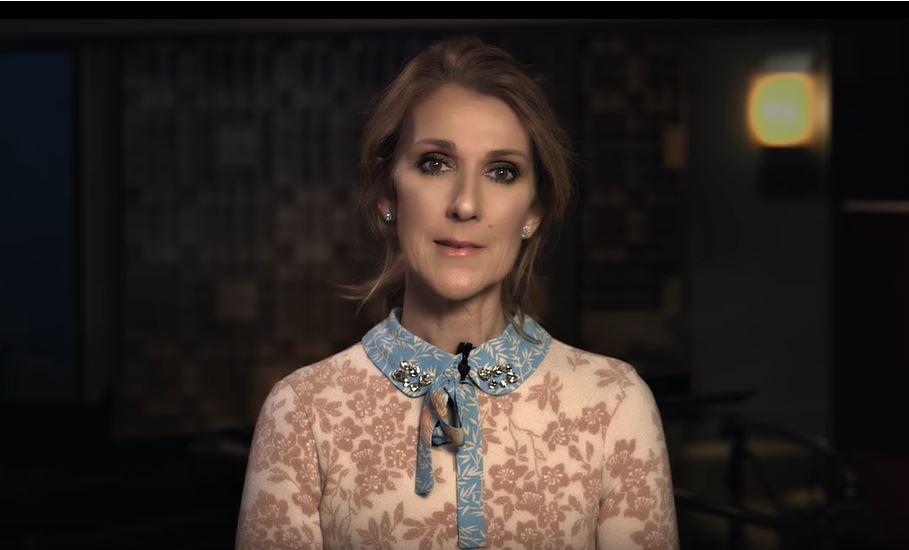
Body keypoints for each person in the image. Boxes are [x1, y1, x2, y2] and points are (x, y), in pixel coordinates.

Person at [236, 36, 679, 550]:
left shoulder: (614, 403)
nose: (466, 204)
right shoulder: (302, 412)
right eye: (434, 163)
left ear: (533, 211)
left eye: (501, 172)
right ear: (387, 194)